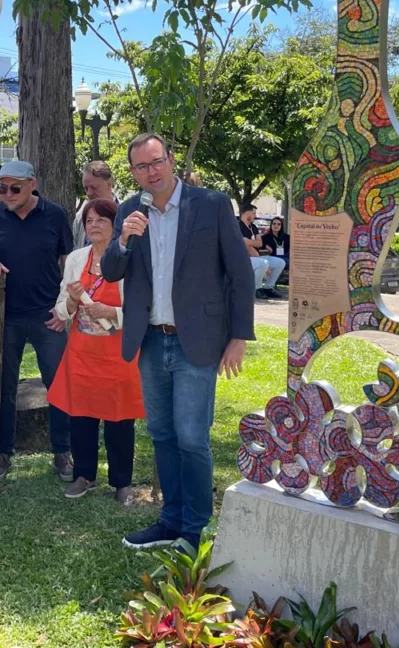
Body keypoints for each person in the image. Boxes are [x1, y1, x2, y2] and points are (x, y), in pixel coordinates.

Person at [102, 133, 256, 551]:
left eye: (156, 162)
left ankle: (195, 528)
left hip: (198, 341)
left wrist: (239, 335)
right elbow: (112, 270)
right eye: (141, 167)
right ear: (133, 172)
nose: (151, 172)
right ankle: (169, 521)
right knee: (162, 434)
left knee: (191, 437)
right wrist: (122, 240)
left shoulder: (210, 204)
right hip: (151, 340)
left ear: (170, 160)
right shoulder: (132, 210)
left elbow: (240, 273)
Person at [0, 161, 74, 482]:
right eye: (1, 188)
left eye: (14, 188)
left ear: (33, 184)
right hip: (3, 317)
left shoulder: (55, 215)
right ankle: (2, 452)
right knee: (2, 386)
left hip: (48, 317)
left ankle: (63, 452)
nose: (6, 194)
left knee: (59, 385)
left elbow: (68, 263)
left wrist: (64, 308)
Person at [48, 198, 144, 504]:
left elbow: (143, 309)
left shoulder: (130, 257)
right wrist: (73, 302)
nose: (94, 225)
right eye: (89, 221)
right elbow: (61, 310)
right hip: (82, 353)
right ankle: (84, 475)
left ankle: (122, 483)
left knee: (120, 419)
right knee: (81, 416)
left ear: (114, 225)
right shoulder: (76, 259)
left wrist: (112, 312)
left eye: (101, 220)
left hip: (118, 354)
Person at [238, 205, 286, 300]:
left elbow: (260, 243)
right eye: (254, 213)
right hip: (242, 258)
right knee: (263, 263)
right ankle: (256, 289)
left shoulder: (254, 227)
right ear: (247, 213)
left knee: (280, 262)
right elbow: (247, 246)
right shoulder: (237, 226)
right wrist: (251, 243)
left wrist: (250, 242)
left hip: (256, 257)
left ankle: (268, 287)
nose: (255, 215)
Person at [72, 161, 119, 250]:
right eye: (86, 188)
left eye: (94, 188)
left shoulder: (126, 213)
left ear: (109, 184)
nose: (89, 193)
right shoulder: (80, 219)